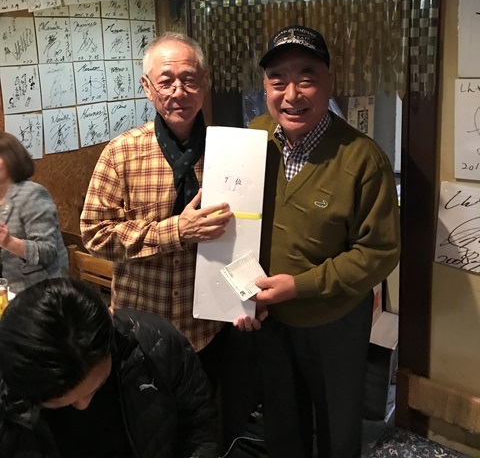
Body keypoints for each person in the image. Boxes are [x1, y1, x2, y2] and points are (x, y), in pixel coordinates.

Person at [236, 25, 401, 458]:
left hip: (334, 322)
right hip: (270, 317)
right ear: (265, 87)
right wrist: (235, 294)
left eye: (306, 78)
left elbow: (378, 253)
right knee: (282, 426)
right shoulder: (253, 138)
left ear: (329, 82)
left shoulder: (363, 158)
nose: (291, 94)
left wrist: (300, 286)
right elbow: (238, 222)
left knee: (337, 430)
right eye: (278, 80)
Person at [80, 32, 233, 381]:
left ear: (204, 83)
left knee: (208, 412)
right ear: (148, 88)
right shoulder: (122, 153)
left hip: (209, 328)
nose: (179, 91)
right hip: (138, 329)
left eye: (189, 79)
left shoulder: (229, 152)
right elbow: (94, 235)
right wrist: (176, 231)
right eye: (166, 82)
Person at [0, 277, 217, 458]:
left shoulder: (157, 344)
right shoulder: (11, 384)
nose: (83, 405)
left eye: (96, 389)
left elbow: (199, 426)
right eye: (59, 403)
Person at [0, 131, 67, 295]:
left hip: (40, 291)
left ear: (12, 159)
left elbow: (48, 251)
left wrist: (10, 242)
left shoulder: (31, 194)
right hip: (6, 288)